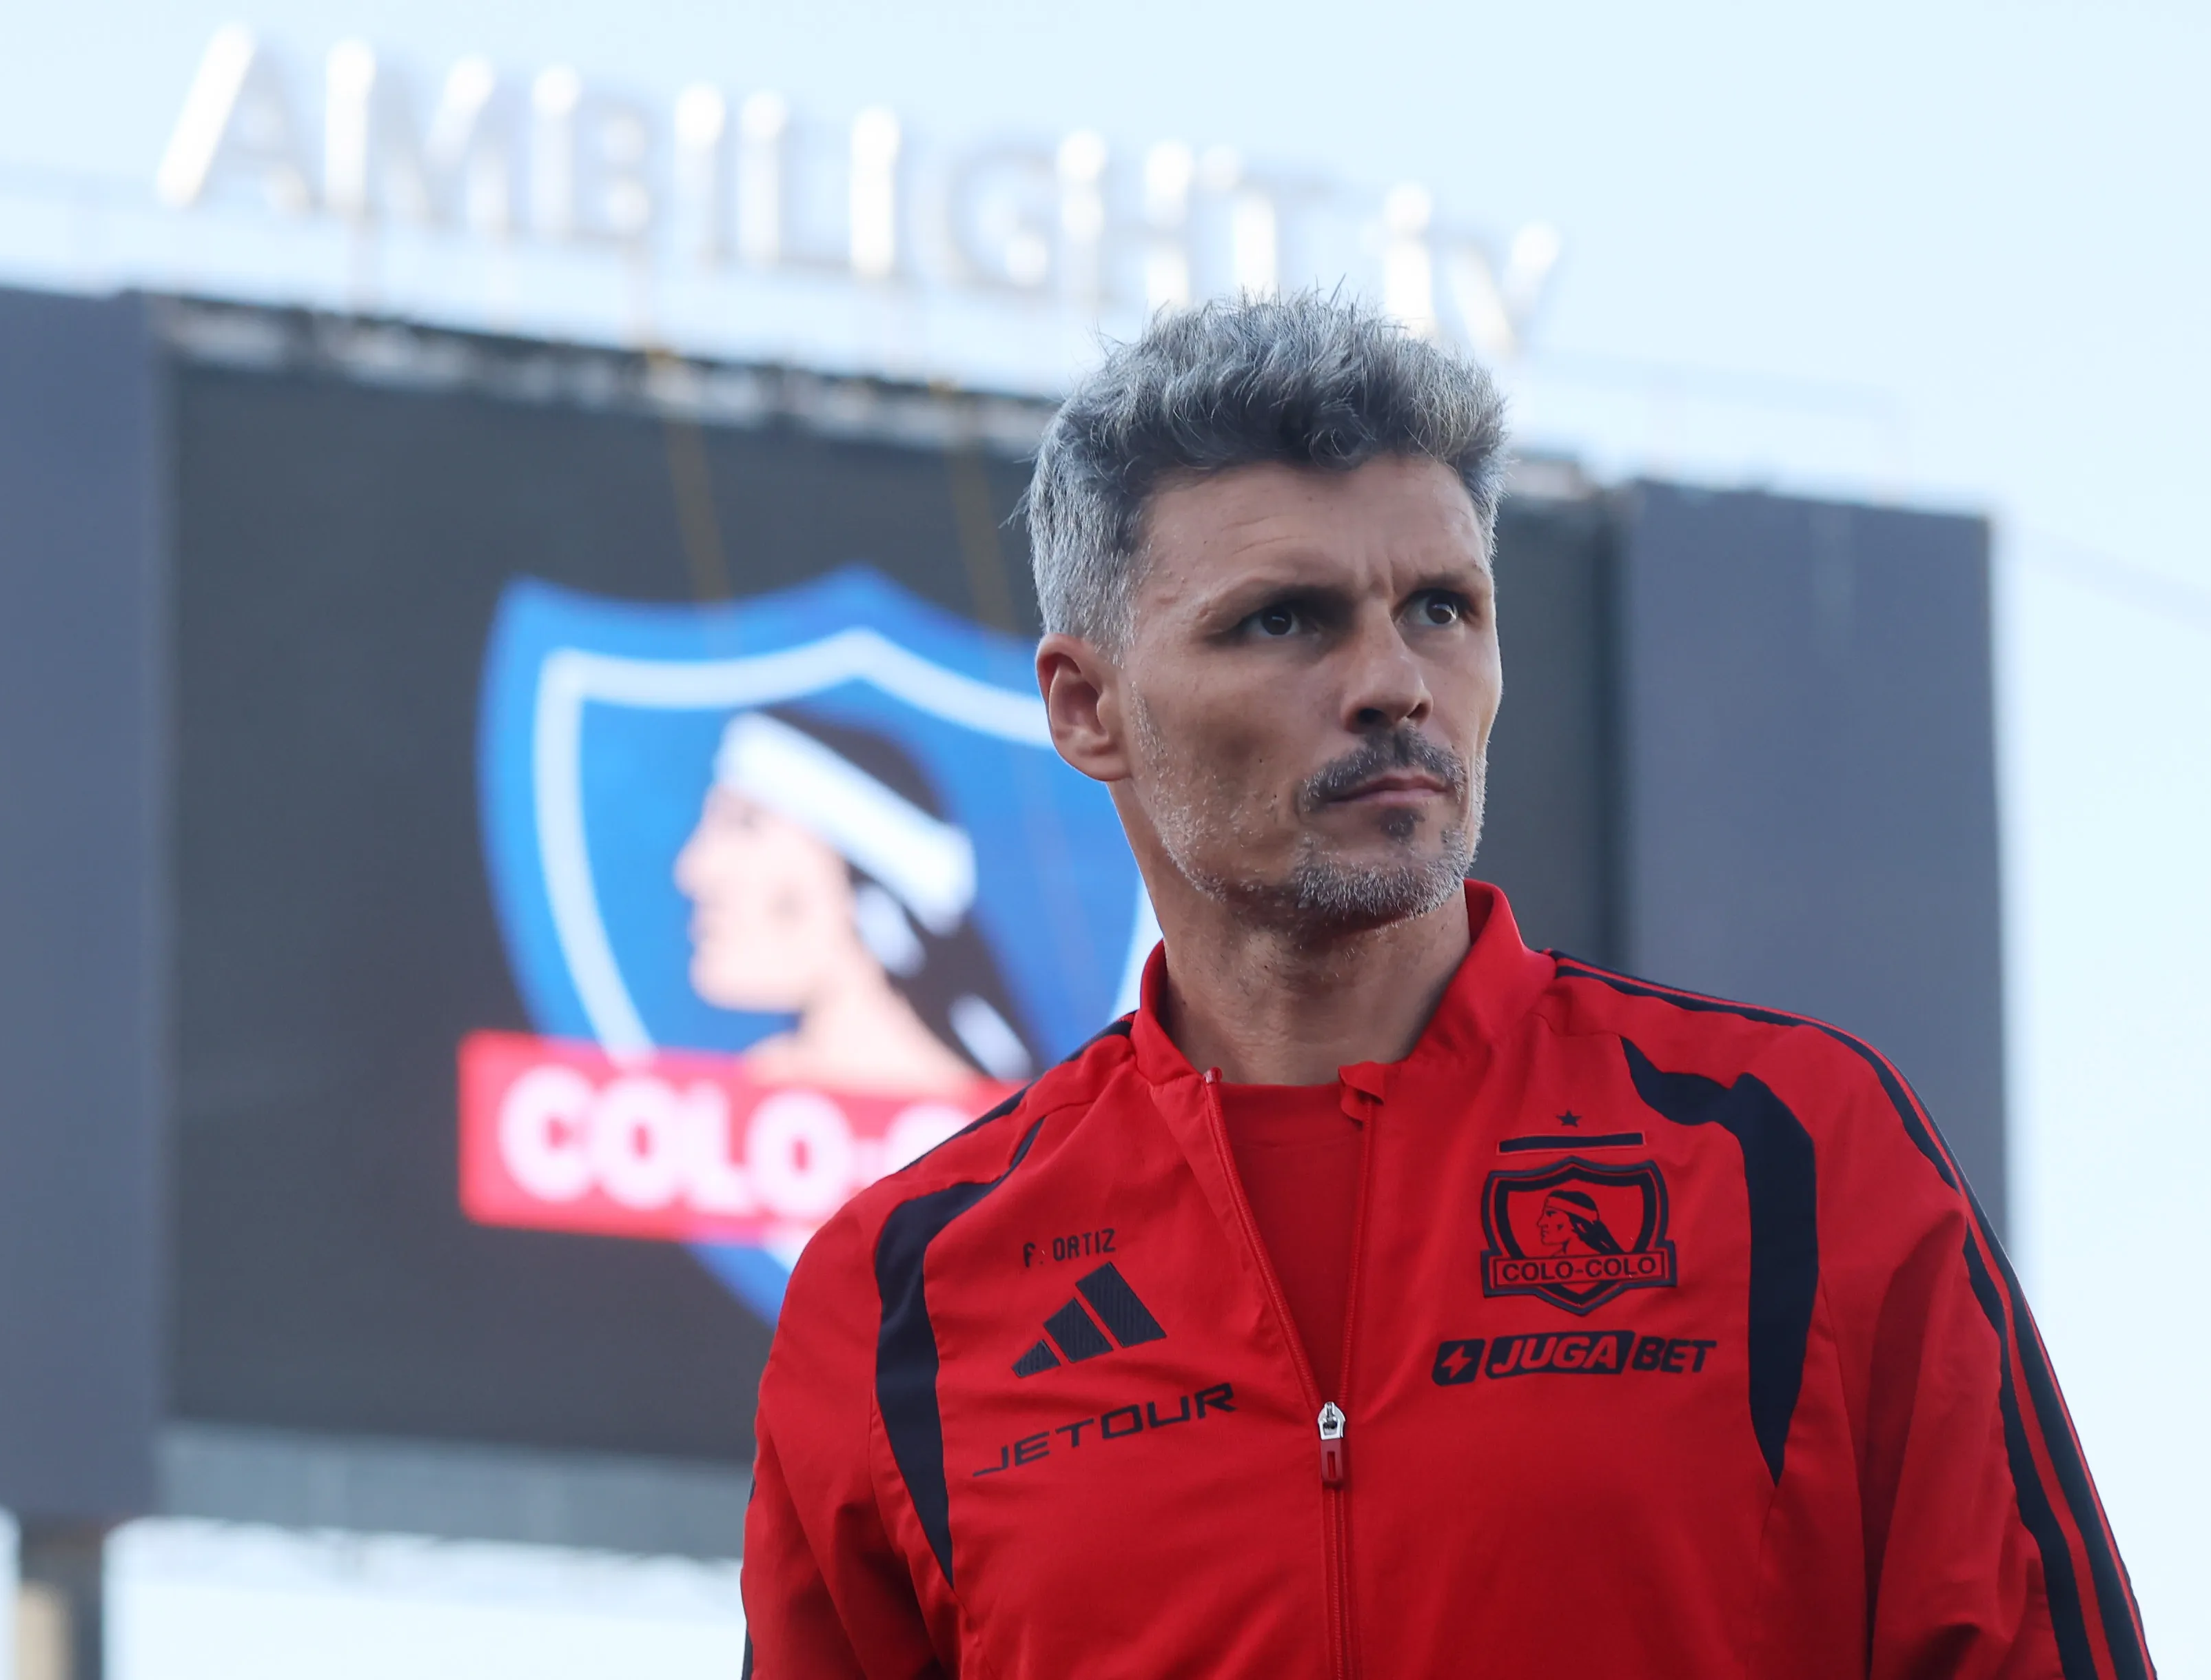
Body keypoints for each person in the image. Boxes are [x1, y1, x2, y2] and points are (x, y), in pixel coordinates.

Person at [740, 296, 2150, 1677]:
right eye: (1283, 620)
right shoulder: (900, 1294)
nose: (1392, 682)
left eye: (1438, 606)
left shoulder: (1800, 1154)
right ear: (1085, 707)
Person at [674, 706, 1037, 1096]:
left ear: (867, 887)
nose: (692, 870)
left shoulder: (980, 1120)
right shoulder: (748, 1094)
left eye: (745, 824)